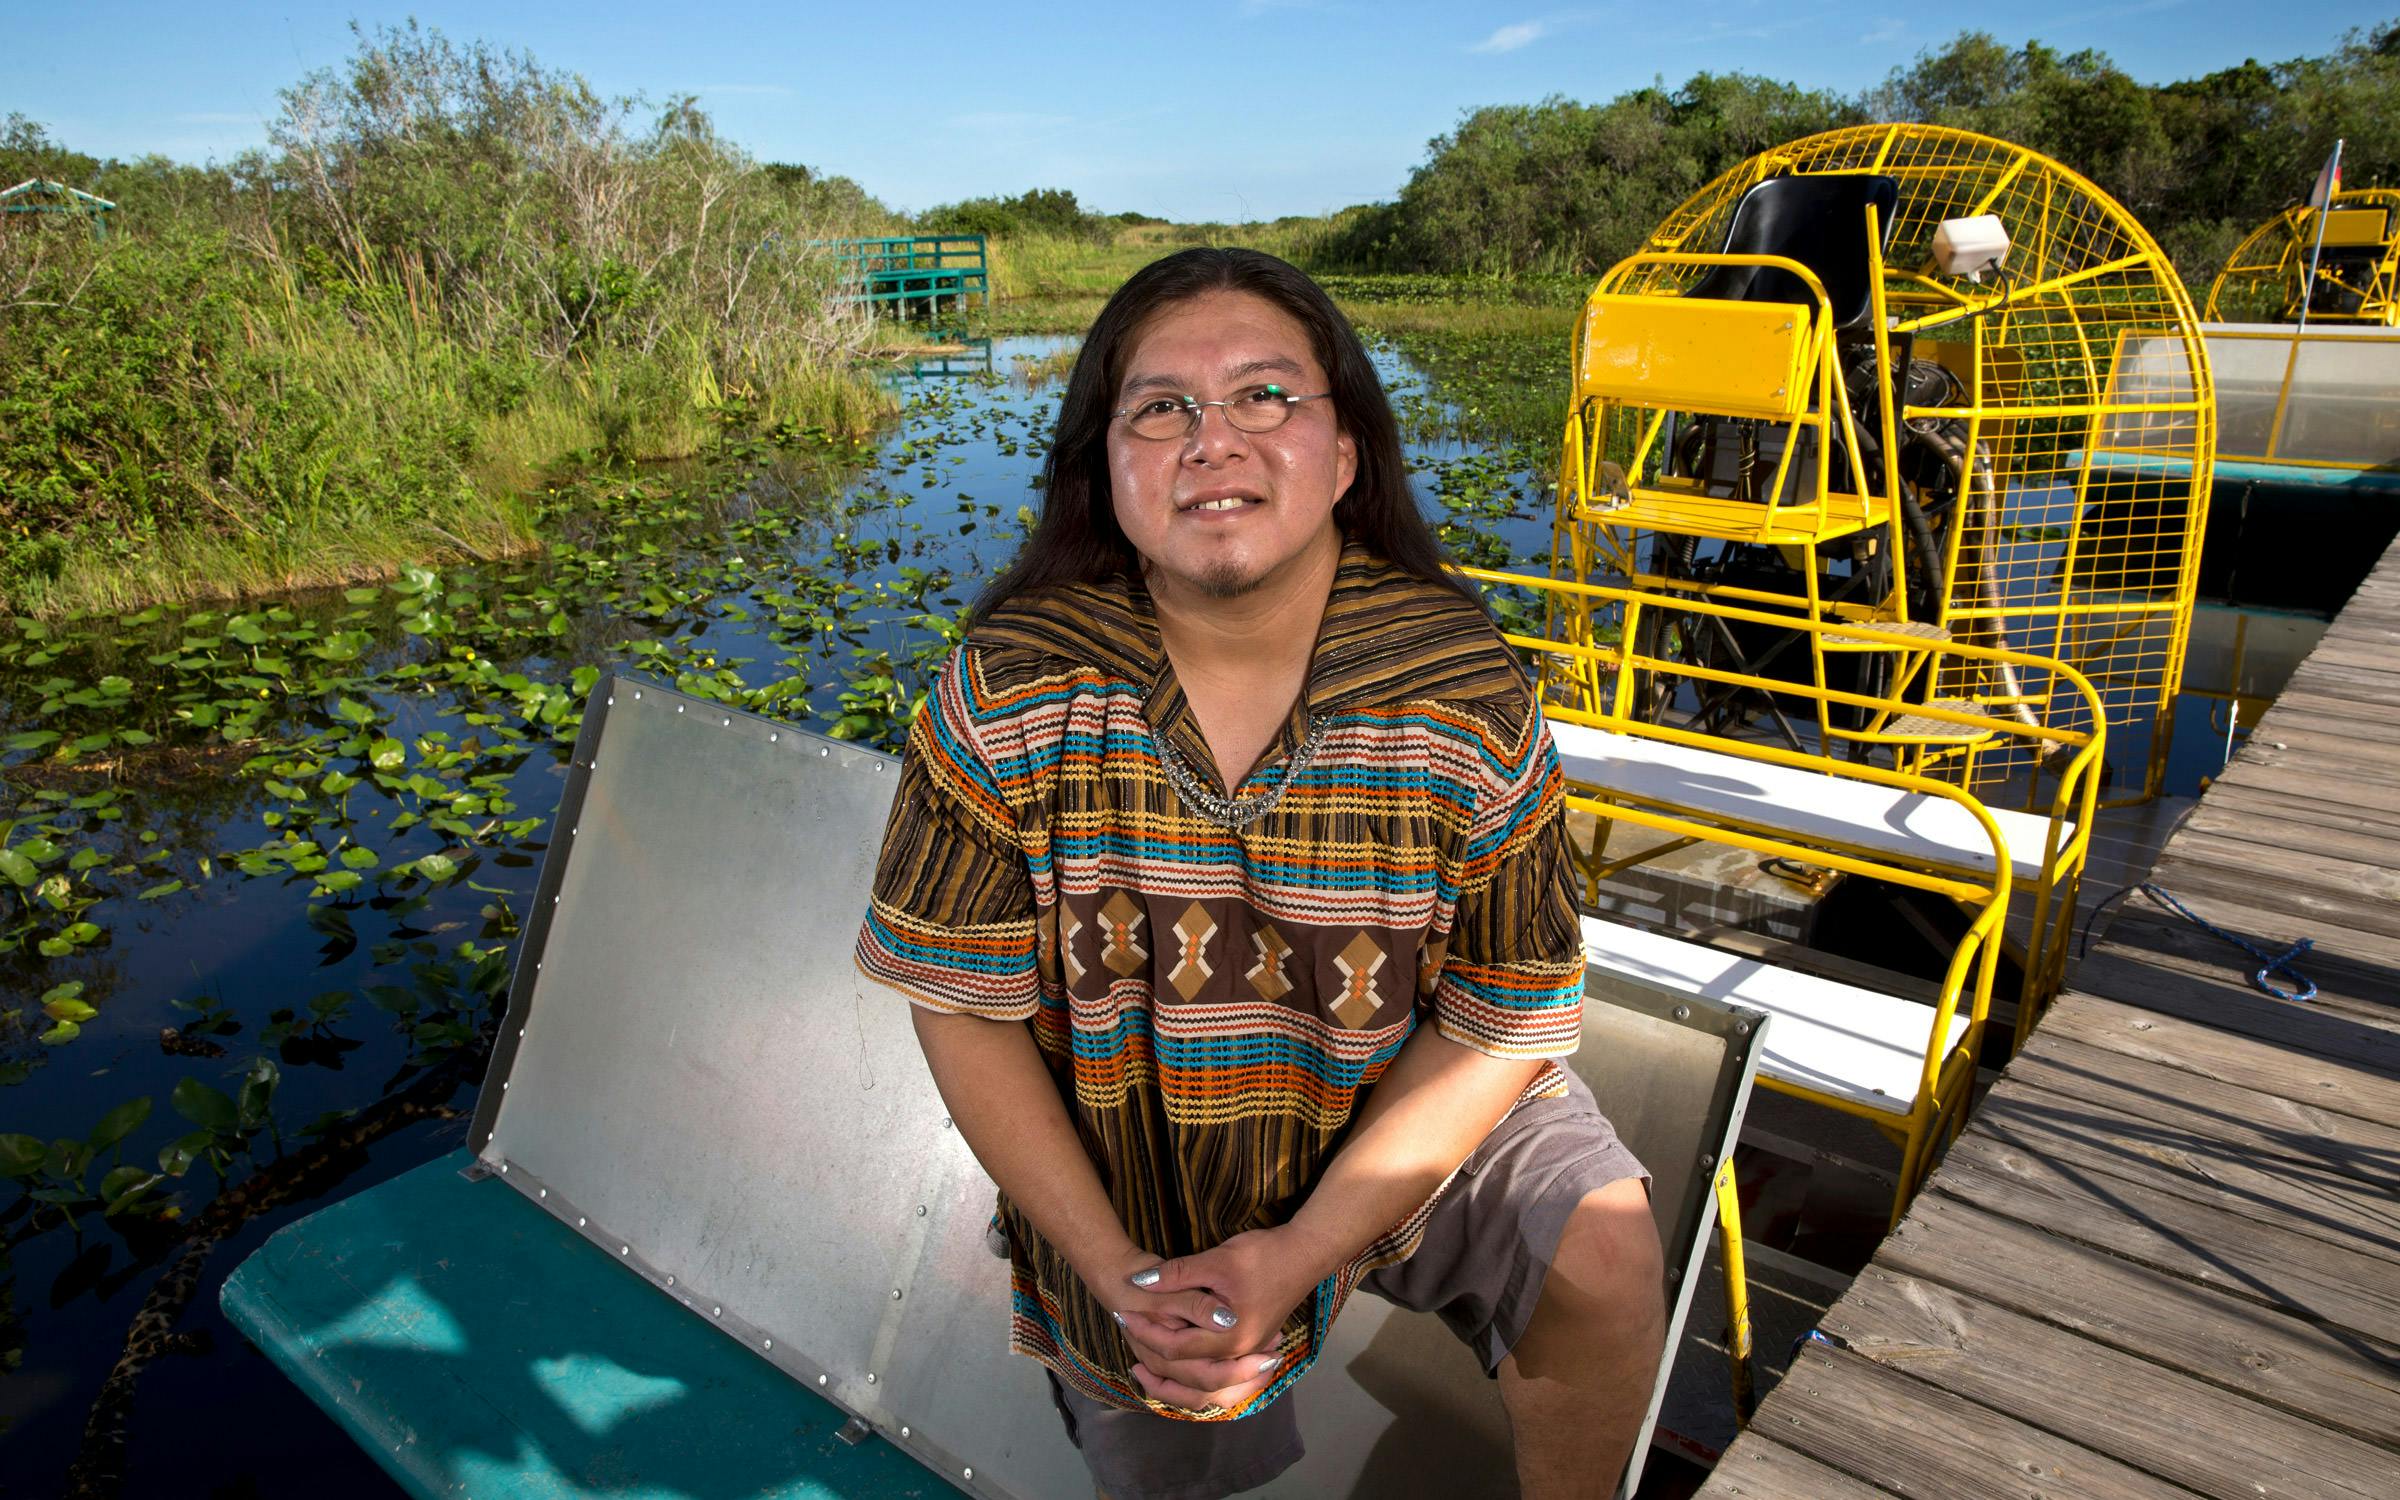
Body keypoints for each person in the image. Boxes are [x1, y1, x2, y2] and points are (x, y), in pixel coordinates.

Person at [854, 247, 1664, 1500]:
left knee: (1603, 1248)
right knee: (1172, 1423)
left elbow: (1503, 1023)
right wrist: (1117, 1270)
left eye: (1265, 396)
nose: (1211, 439)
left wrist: (1301, 1251)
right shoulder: (1009, 687)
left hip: (1404, 1088)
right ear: (1106, 471)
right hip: (1134, 1127)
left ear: (1345, 456)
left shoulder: (1462, 691)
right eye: (1161, 406)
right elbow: (962, 1007)